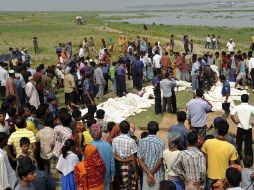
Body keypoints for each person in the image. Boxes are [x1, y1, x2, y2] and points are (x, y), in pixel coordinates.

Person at [201, 119, 238, 189]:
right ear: (227, 131)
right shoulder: (231, 147)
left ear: (216, 130)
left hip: (210, 176)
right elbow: (232, 166)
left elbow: (205, 160)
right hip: (224, 178)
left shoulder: (207, 142)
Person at [138, 121, 164, 190]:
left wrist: (148, 174)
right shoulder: (161, 142)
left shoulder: (141, 141)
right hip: (157, 175)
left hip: (146, 174)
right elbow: (159, 162)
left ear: (147, 129)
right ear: (157, 130)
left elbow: (140, 160)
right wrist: (151, 174)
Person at [112, 120, 137, 190]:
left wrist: (121, 159)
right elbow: (133, 158)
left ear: (119, 129)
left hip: (118, 166)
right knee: (129, 187)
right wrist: (135, 172)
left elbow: (113, 154)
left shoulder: (115, 140)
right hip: (129, 167)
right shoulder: (131, 141)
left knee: (120, 186)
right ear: (129, 129)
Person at [90, 124, 115, 190]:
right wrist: (112, 174)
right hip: (106, 176)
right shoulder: (108, 145)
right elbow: (112, 161)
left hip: (93, 176)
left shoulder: (89, 146)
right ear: (101, 134)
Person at [230, 94, 254, 159]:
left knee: (238, 143)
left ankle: (238, 156)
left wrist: (235, 122)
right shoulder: (251, 107)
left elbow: (231, 115)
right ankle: (248, 157)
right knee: (248, 144)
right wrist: (253, 124)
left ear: (241, 99)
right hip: (248, 127)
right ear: (248, 99)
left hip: (240, 127)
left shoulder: (238, 107)